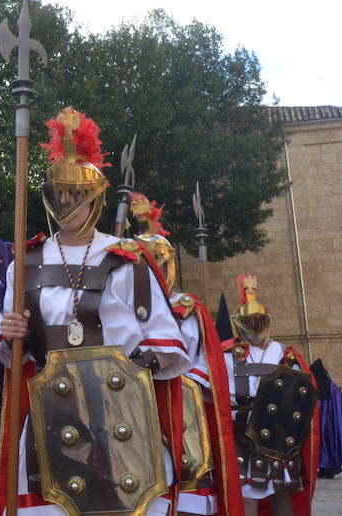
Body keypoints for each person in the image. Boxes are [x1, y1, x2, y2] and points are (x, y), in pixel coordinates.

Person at [0, 107, 190, 516]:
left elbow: (166, 339)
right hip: (54, 411)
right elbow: (14, 351)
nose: (67, 203)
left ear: (94, 198)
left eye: (76, 195)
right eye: (60, 194)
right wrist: (11, 330)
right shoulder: (24, 263)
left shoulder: (130, 260)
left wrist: (130, 368)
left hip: (122, 410)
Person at [129, 194, 242, 516]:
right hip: (132, 405)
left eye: (157, 264)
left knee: (188, 487)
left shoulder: (188, 310)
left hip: (181, 411)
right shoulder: (122, 306)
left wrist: (182, 382)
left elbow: (207, 365)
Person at [224, 275, 318, 516]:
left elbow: (302, 394)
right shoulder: (226, 354)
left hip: (280, 433)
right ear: (239, 322)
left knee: (281, 490)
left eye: (260, 320)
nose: (255, 325)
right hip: (243, 433)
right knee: (248, 493)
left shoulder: (286, 355)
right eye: (249, 320)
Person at [309, 359, 342, 479]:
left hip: (318, 421)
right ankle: (328, 467)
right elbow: (339, 401)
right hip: (330, 421)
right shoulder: (331, 386)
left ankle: (323, 467)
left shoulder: (313, 385)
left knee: (320, 444)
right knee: (330, 443)